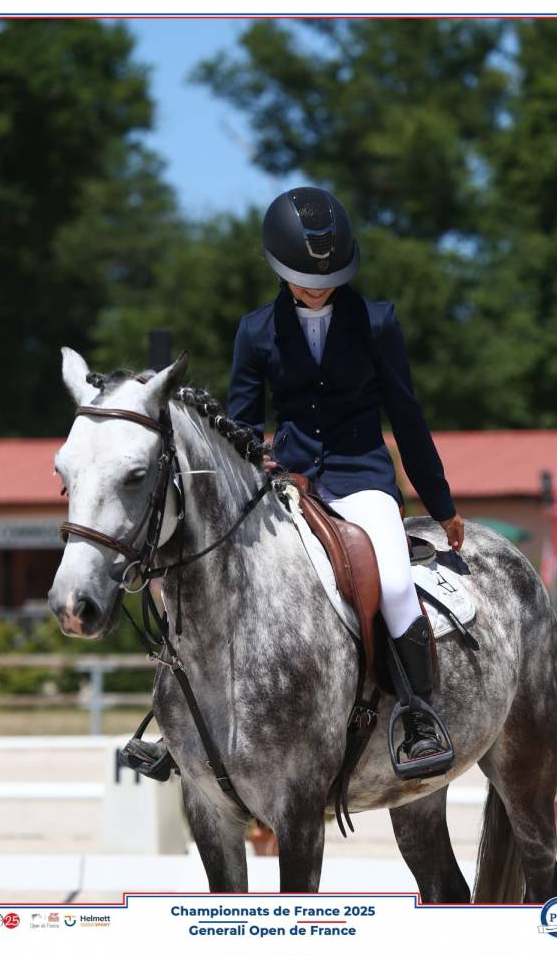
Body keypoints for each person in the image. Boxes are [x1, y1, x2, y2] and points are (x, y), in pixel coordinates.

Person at [227, 186, 464, 764]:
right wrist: (257, 464)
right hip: (286, 483)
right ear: (278, 267)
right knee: (225, 577)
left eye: (329, 276)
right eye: (305, 277)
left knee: (397, 586)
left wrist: (439, 502)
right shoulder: (255, 331)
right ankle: (189, 712)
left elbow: (407, 417)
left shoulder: (376, 322)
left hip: (361, 476)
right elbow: (239, 423)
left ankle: (418, 714)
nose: (317, 287)